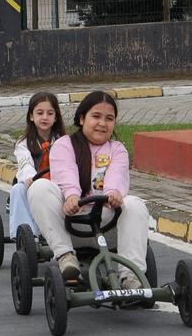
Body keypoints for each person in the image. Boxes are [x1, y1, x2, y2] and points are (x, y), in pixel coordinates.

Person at [26, 90, 150, 289]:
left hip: (106, 227)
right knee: (39, 187)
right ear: (82, 118)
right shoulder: (64, 145)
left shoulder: (117, 149)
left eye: (109, 119)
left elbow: (117, 175)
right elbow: (66, 172)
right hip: (71, 226)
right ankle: (66, 257)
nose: (102, 123)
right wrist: (72, 196)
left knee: (135, 204)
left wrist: (114, 193)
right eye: (96, 116)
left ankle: (131, 277)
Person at [9, 92, 65, 237]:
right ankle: (27, 236)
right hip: (31, 183)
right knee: (18, 189)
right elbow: (25, 163)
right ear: (31, 116)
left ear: (56, 117)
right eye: (40, 113)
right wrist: (32, 178)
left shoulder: (64, 141)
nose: (45, 117)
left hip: (56, 183)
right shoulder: (23, 143)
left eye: (50, 113)